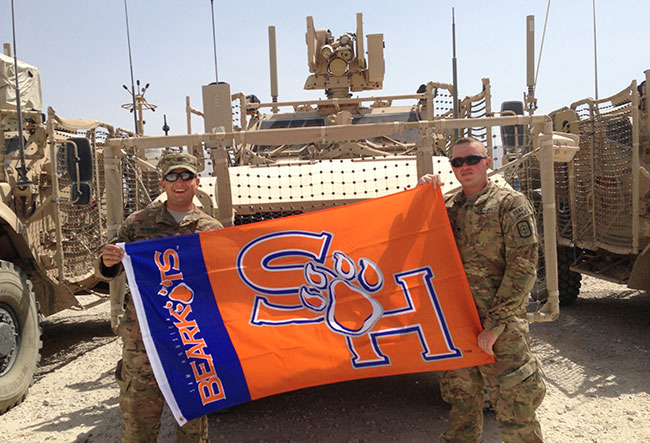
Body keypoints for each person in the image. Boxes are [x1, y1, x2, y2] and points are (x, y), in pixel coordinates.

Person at [418, 137, 546, 443]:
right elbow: (420, 240)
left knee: (516, 410)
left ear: (487, 161)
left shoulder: (509, 204)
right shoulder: (449, 206)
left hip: (500, 328)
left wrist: (495, 324)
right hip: (460, 322)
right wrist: (424, 195)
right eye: (457, 162)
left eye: (472, 159)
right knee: (462, 404)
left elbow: (524, 268)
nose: (465, 167)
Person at [96, 152, 223, 442]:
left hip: (192, 342)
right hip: (144, 344)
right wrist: (108, 260)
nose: (179, 182)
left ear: (196, 181)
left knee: (193, 431)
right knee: (138, 427)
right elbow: (108, 271)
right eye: (172, 176)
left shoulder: (210, 229)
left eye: (186, 176)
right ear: (163, 184)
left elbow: (220, 283)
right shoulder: (138, 223)